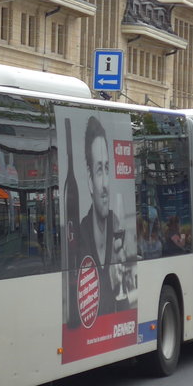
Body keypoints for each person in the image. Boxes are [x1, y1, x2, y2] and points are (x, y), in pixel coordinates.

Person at [79, 116, 127, 316]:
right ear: (90, 180)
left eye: (107, 168)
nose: (106, 183)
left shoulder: (116, 225)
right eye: (100, 170)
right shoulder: (81, 237)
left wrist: (121, 286)